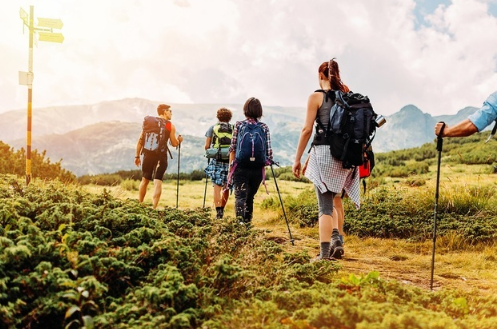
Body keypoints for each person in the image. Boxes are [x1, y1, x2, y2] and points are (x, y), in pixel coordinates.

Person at [292, 59, 360, 261]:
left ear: (320, 75)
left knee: (325, 207)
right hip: (345, 157)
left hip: (324, 155)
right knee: (335, 199)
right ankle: (337, 242)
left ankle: (323, 256)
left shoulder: (316, 97)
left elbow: (307, 130)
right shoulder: (347, 96)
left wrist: (298, 159)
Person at [228, 97, 273, 225]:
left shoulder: (239, 125)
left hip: (241, 167)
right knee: (250, 198)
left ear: (245, 110)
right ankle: (247, 225)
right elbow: (269, 152)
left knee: (240, 197)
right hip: (257, 169)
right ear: (260, 111)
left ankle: (239, 225)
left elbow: (233, 147)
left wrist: (231, 167)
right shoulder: (264, 127)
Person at [134, 104, 183, 209]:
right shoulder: (169, 125)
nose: (171, 113)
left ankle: (139, 204)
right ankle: (154, 208)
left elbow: (140, 140)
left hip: (148, 154)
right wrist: (179, 141)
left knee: (144, 180)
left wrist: (137, 156)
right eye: (170, 111)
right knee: (157, 182)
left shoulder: (149, 123)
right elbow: (174, 143)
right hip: (161, 156)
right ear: (165, 111)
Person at [204, 107, 233, 219]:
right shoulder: (234, 128)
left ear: (218, 117)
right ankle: (222, 209)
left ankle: (218, 211)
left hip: (217, 160)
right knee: (226, 187)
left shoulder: (213, 128)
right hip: (229, 161)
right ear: (229, 118)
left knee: (217, 186)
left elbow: (207, 146)